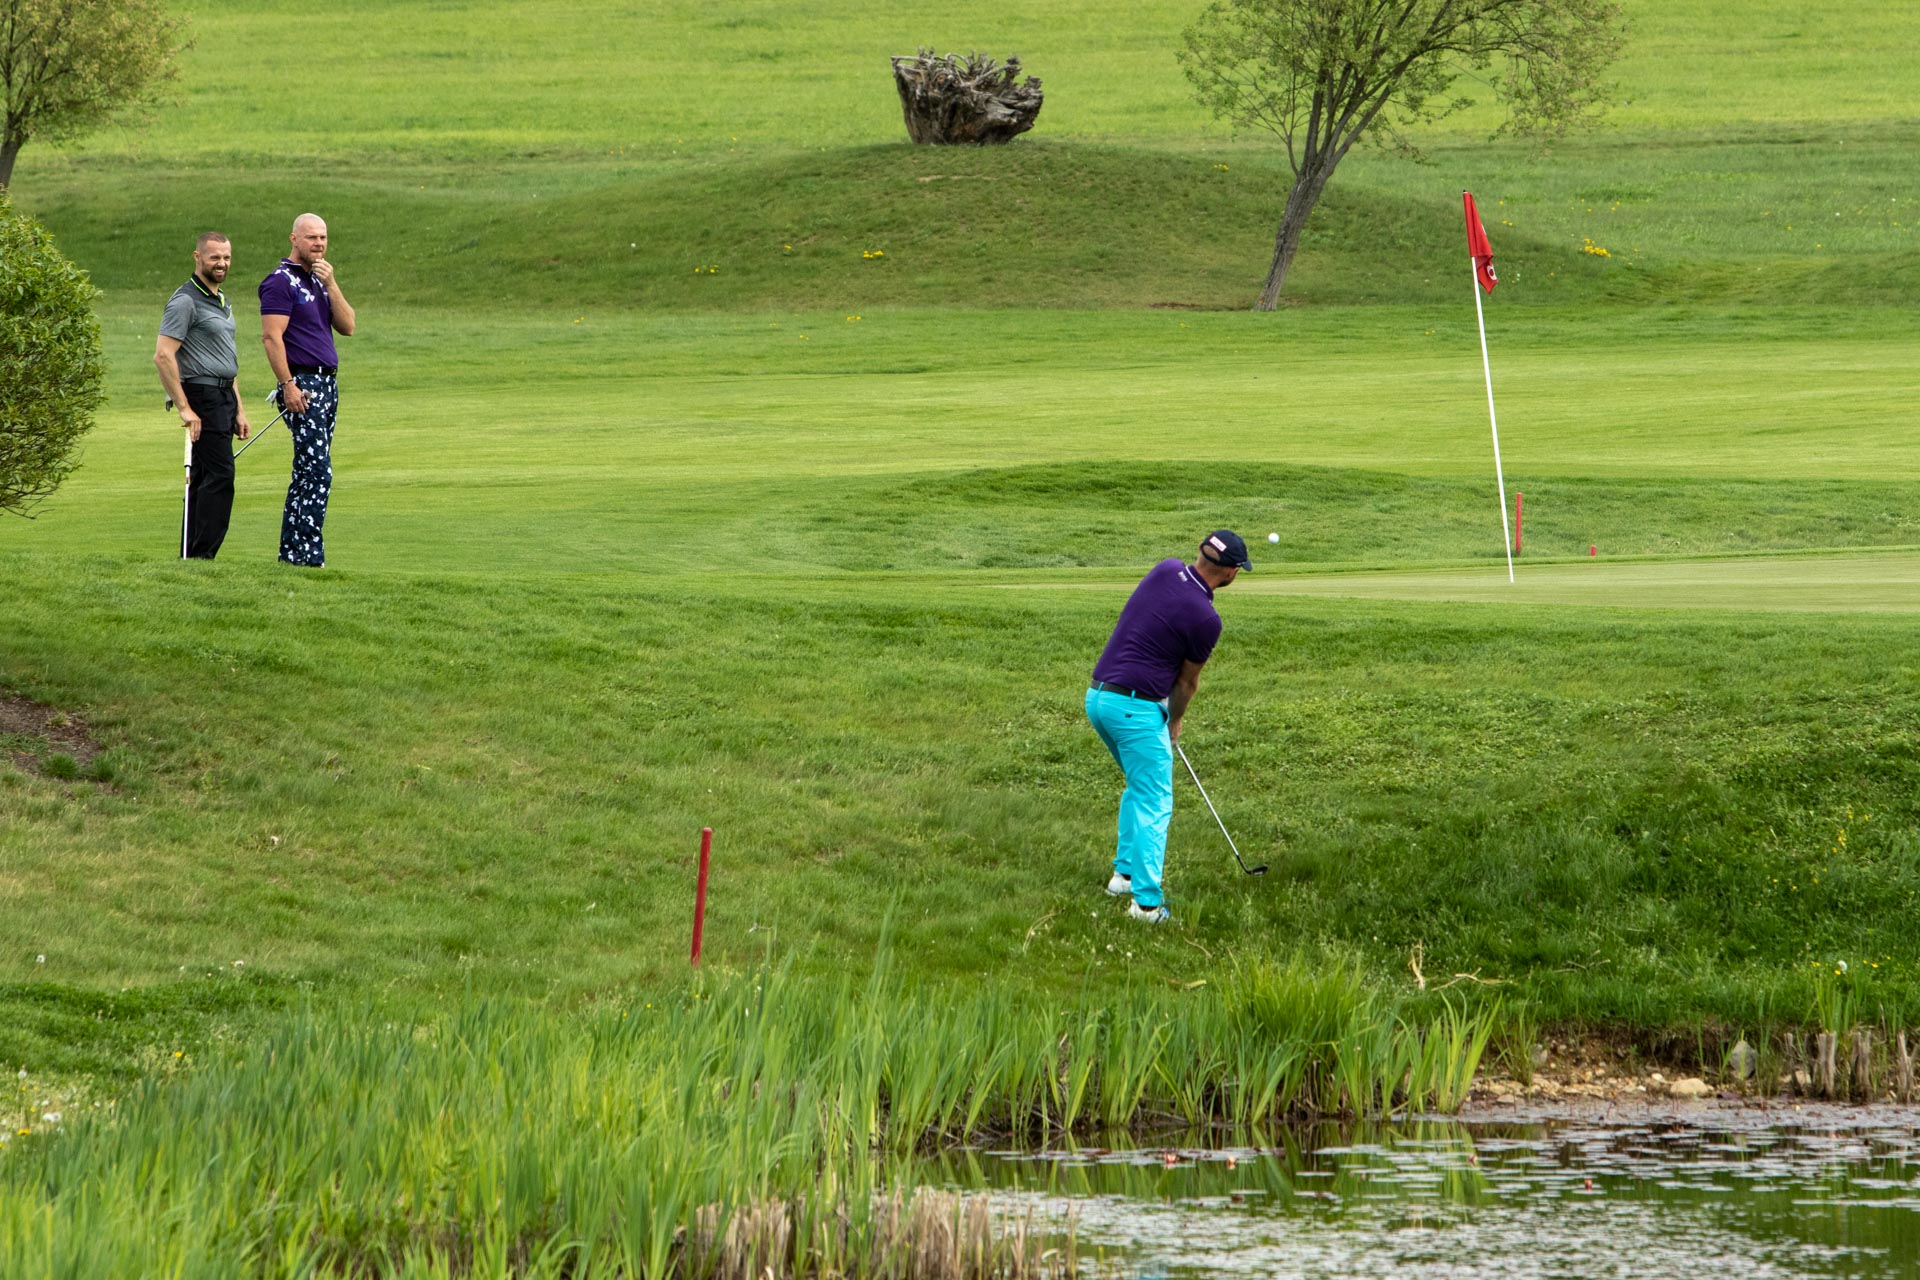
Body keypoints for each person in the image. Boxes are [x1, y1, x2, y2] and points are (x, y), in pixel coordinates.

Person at [1085, 530, 1252, 924]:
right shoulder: (1207, 619)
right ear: (1231, 572)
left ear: (1201, 553)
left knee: (1139, 787)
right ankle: (1146, 905)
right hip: (1135, 710)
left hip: (1099, 698)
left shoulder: (1166, 569)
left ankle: (1123, 877)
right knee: (1155, 801)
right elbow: (1186, 683)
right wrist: (1174, 719)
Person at [259, 212, 356, 567]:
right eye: (312, 237)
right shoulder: (280, 282)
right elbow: (271, 337)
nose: (319, 244)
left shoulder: (319, 280)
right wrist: (288, 385)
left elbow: (348, 326)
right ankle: (309, 556)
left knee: (307, 472)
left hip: (328, 382)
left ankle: (292, 556)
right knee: (317, 471)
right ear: (294, 239)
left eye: (323, 238)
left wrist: (332, 284)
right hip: (303, 383)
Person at [154, 232, 253, 558]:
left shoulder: (221, 300)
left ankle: (192, 556)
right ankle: (202, 556)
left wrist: (239, 409)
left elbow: (225, 358)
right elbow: (163, 356)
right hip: (202, 395)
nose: (222, 263)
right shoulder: (185, 300)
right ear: (198, 258)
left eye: (226, 257)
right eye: (215, 257)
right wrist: (184, 408)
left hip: (223, 395)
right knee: (220, 474)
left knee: (204, 476)